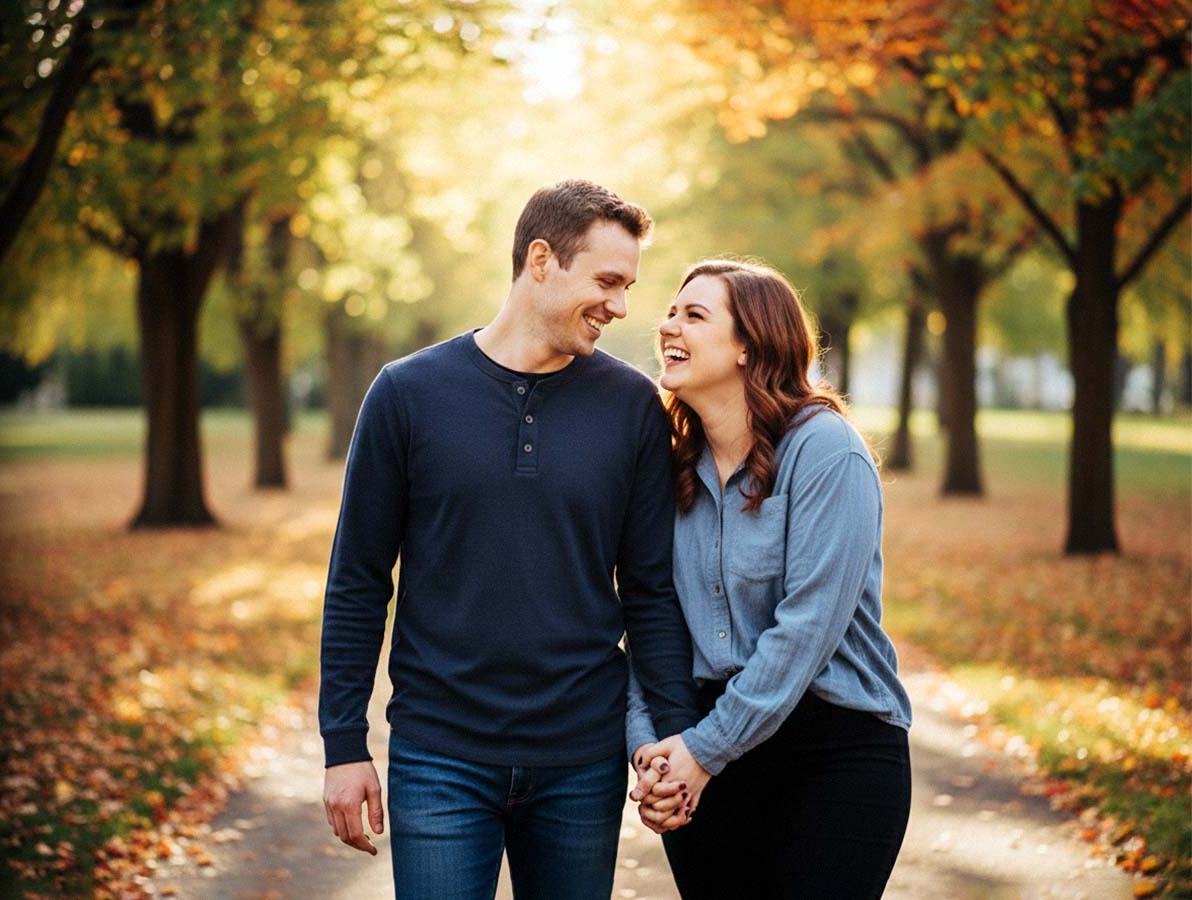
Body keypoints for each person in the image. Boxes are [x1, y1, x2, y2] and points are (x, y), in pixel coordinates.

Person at [317, 179, 699, 900]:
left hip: (582, 760)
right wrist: (343, 745)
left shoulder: (633, 408)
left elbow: (651, 591)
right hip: (439, 754)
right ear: (541, 260)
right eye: (607, 282)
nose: (621, 307)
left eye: (627, 287)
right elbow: (358, 581)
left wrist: (673, 736)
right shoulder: (406, 394)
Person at [626, 259, 913, 899]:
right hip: (705, 754)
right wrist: (652, 751)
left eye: (694, 315)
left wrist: (702, 752)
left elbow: (806, 631)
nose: (668, 325)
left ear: (749, 346)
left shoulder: (826, 451)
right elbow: (649, 615)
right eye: (670, 312)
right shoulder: (669, 468)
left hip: (834, 752)